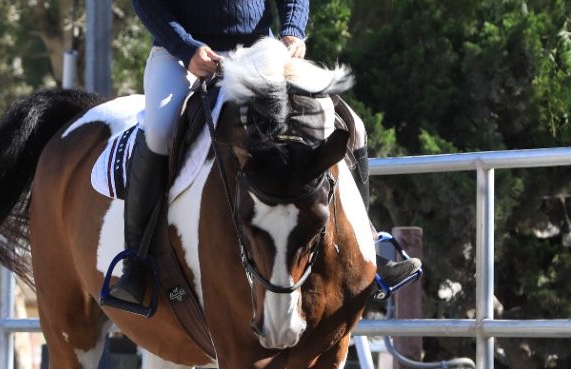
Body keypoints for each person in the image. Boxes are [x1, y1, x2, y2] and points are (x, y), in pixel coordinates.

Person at [104, 0, 421, 313]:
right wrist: (184, 47)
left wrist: (293, 31)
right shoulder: (182, 50)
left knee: (353, 126)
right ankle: (137, 263)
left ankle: (366, 253)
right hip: (182, 56)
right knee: (160, 131)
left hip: (260, 55)